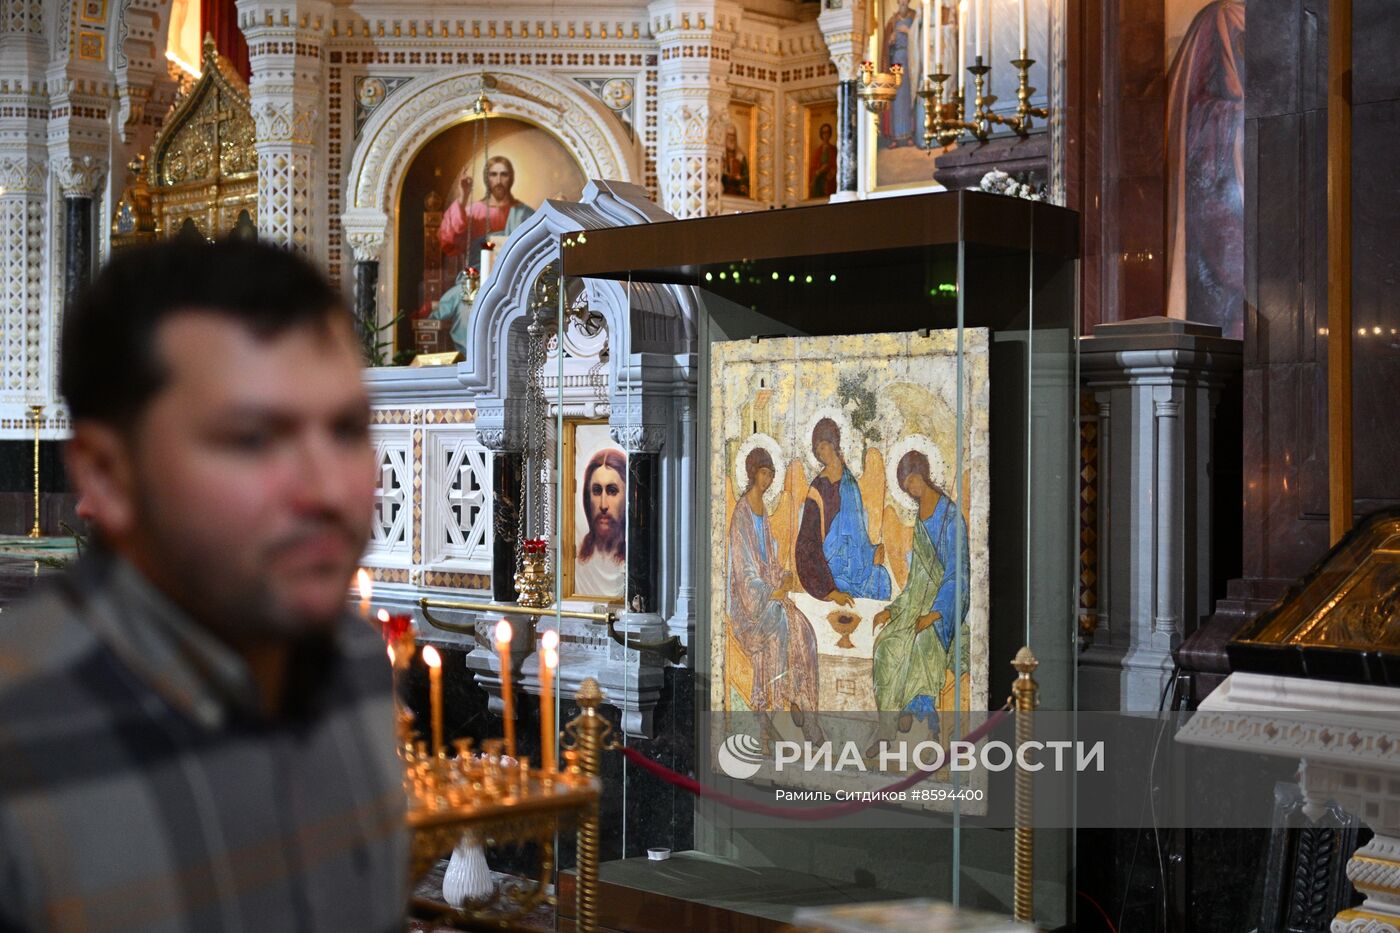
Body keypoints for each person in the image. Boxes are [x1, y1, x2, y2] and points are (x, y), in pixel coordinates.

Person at [0, 238, 408, 931]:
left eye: (346, 430)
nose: (326, 489)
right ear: (105, 473)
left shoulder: (357, 667)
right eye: (252, 438)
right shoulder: (21, 739)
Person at [868, 450, 970, 755]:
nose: (911, 487)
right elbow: (915, 581)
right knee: (887, 645)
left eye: (912, 479)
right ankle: (887, 728)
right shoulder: (920, 521)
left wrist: (937, 613)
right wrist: (892, 609)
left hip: (945, 609)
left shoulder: (950, 517)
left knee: (921, 643)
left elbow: (958, 574)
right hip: (916, 605)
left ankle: (924, 723)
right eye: (905, 484)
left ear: (923, 474)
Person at [726, 447, 822, 743]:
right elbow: (744, 573)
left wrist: (783, 577)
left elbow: (770, 559)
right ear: (753, 472)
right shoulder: (743, 512)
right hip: (747, 606)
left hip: (768, 594)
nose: (767, 480)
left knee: (803, 628)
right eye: (763, 473)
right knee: (780, 622)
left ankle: (803, 706)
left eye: (771, 475)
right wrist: (771, 591)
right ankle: (776, 705)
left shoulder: (762, 510)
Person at [795, 417, 891, 604]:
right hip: (831, 568)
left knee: (882, 579)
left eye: (822, 446)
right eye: (817, 450)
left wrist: (872, 552)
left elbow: (859, 533)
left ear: (833, 443)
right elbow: (807, 543)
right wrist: (829, 591)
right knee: (843, 585)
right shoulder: (817, 488)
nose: (820, 453)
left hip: (855, 563)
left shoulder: (850, 483)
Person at [437, 154, 535, 272]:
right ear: (486, 178)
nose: (498, 181)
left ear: (511, 178)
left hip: (515, 275)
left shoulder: (525, 213)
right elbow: (449, 242)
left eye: (504, 174)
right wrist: (463, 197)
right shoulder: (473, 212)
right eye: (493, 174)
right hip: (477, 276)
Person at [574, 447, 627, 598]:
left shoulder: (634, 556)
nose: (603, 505)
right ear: (587, 497)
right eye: (597, 491)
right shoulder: (579, 557)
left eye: (612, 491)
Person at [809, 122, 838, 199]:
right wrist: (820, 170)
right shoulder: (817, 151)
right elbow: (813, 168)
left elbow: (836, 165)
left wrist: (832, 172)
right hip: (819, 181)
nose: (826, 135)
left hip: (830, 180)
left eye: (827, 132)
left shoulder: (834, 149)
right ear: (821, 134)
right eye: (824, 132)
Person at [720, 125, 750, 198]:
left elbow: (747, 176)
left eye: (733, 135)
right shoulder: (720, 154)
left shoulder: (741, 156)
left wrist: (740, 178)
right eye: (729, 135)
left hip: (737, 192)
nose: (731, 139)